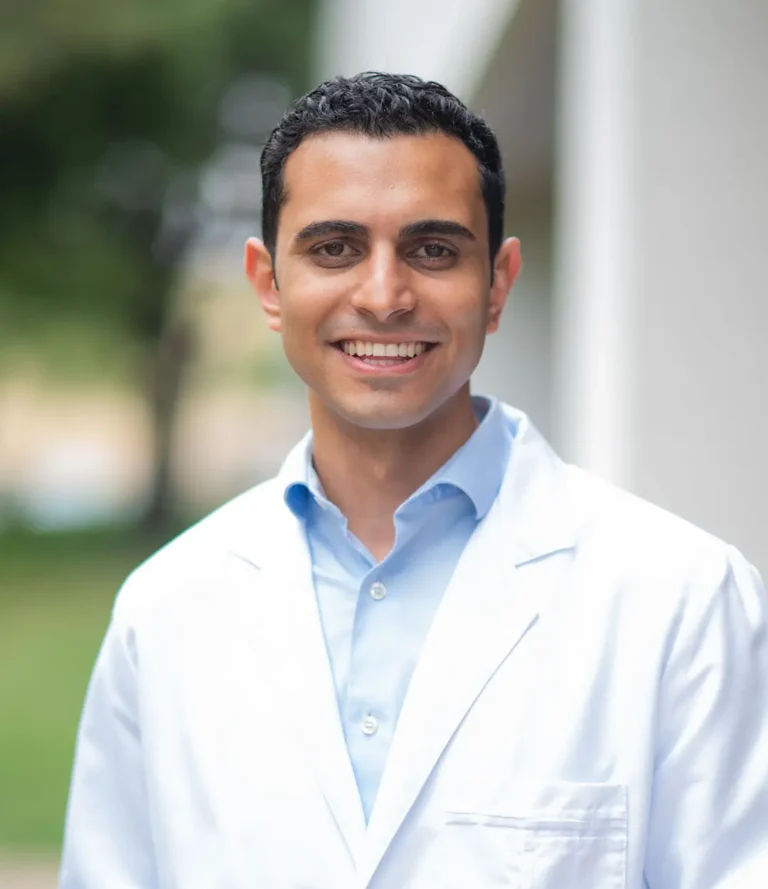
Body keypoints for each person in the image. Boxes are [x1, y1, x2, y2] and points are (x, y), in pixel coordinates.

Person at [59, 72, 768, 889]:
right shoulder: (166, 610)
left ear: (497, 284)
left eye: (433, 250)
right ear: (267, 284)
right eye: (335, 248)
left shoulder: (679, 597)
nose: (385, 295)